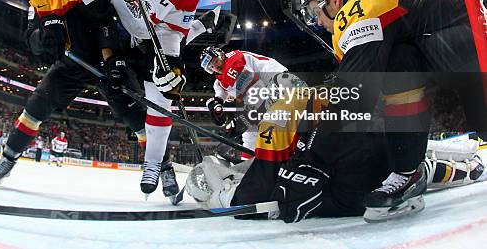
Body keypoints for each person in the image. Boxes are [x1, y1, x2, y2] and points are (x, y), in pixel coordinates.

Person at [296, 0, 486, 221]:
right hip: (469, 35)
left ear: (334, 0)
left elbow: (354, 92)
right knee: (400, 64)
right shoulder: (373, 1)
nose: (316, 20)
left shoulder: (358, 10)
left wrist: (312, 159)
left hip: (476, 37)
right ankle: (408, 172)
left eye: (315, 10)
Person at [186, 73, 486, 222]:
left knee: (287, 193)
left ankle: (464, 168)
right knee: (410, 160)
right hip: (392, 159)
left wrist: (218, 189)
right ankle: (469, 167)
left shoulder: (279, 117)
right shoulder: (329, 92)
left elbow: (246, 201)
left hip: (356, 191)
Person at [68, 0, 202, 195]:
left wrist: (172, 65)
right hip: (112, 23)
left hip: (151, 35)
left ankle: (153, 163)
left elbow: (173, 33)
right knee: (115, 94)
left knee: (162, 94)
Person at [0, 0, 139, 186]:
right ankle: (7, 160)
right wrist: (42, 38)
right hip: (69, 66)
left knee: (135, 115)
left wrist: (112, 61)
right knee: (34, 109)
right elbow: (31, 37)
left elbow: (104, 23)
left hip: (100, 63)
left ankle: (164, 167)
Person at [200, 47, 287, 158]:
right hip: (269, 88)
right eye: (211, 66)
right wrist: (216, 104)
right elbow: (220, 91)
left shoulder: (234, 62)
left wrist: (242, 121)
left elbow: (256, 90)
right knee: (251, 133)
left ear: (221, 55)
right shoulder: (221, 79)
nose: (215, 67)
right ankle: (248, 166)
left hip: (277, 83)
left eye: (215, 61)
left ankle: (285, 161)